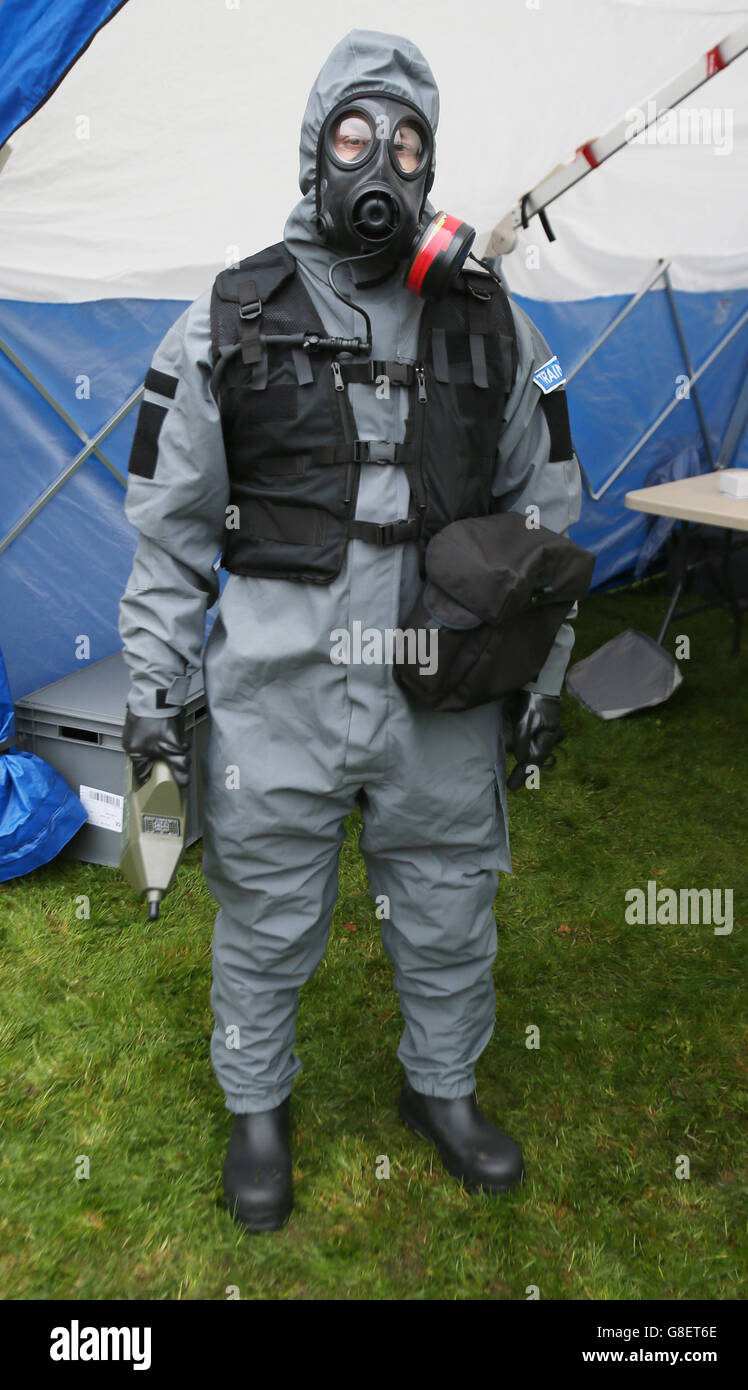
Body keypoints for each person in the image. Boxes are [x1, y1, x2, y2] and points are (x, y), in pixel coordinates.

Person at [118, 29, 582, 1233]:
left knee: (445, 902)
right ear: (316, 147)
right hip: (282, 685)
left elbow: (546, 516)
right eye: (355, 134)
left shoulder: (489, 324)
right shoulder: (230, 316)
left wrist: (543, 675)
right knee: (265, 905)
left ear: (431, 170)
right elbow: (171, 532)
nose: (381, 159)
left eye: (409, 141)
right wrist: (154, 695)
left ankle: (441, 1087)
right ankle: (256, 1103)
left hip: (441, 677)